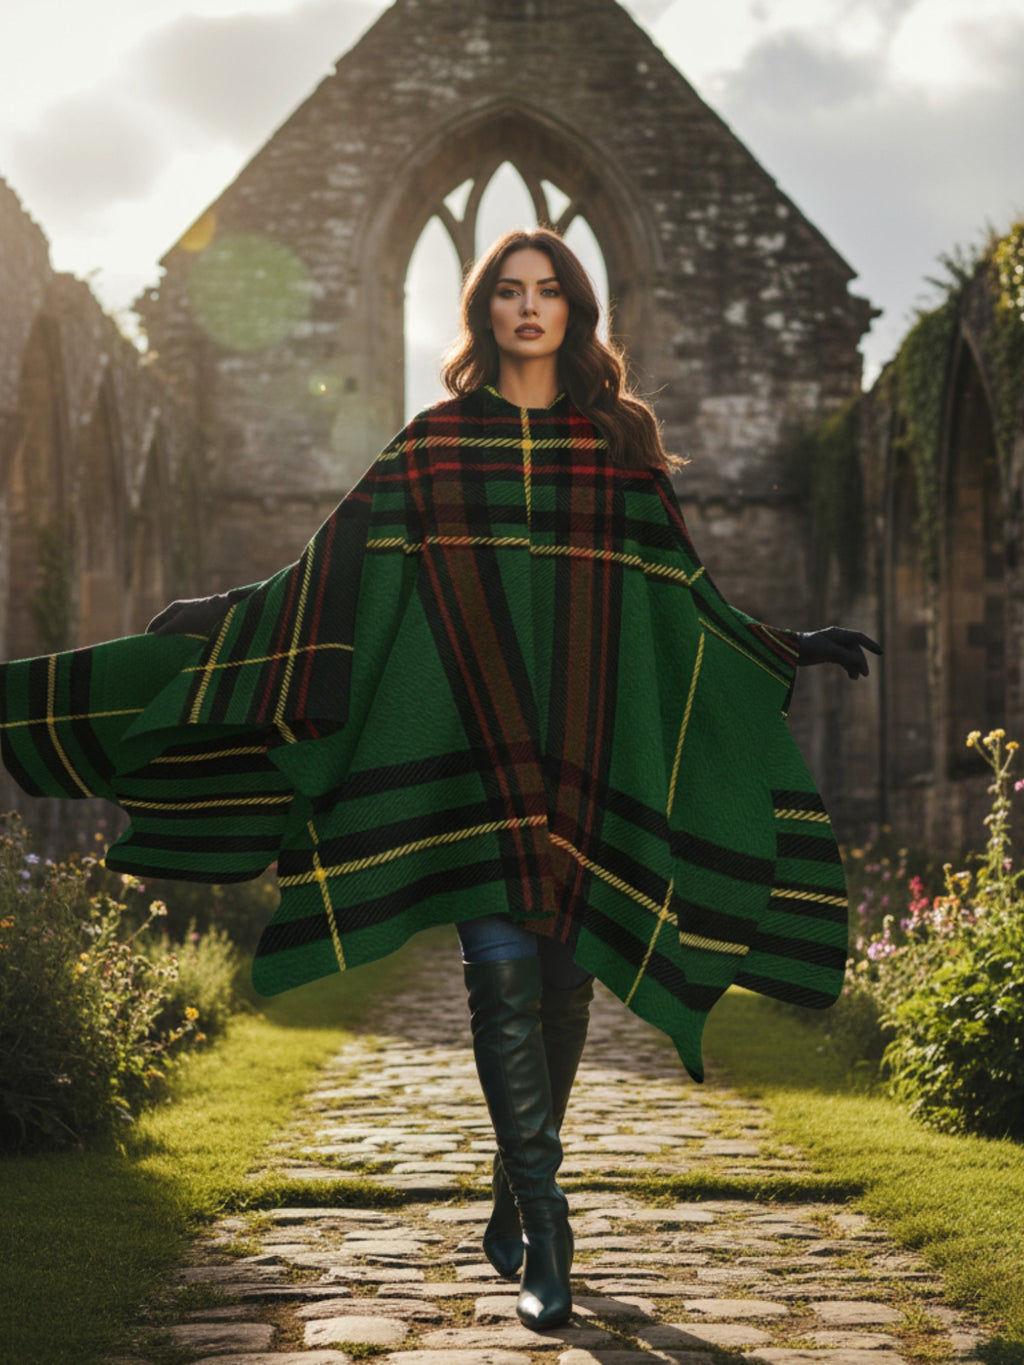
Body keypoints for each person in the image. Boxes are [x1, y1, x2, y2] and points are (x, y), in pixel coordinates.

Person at [0, 228, 879, 1332]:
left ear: (576, 311)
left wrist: (786, 643)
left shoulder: (620, 443)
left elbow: (677, 592)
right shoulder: (432, 447)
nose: (526, 309)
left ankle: (516, 1181)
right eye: (507, 291)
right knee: (506, 974)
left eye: (547, 291)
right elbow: (335, 568)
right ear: (480, 312)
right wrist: (232, 613)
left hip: (587, 745)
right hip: (475, 749)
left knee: (566, 981)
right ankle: (549, 1228)